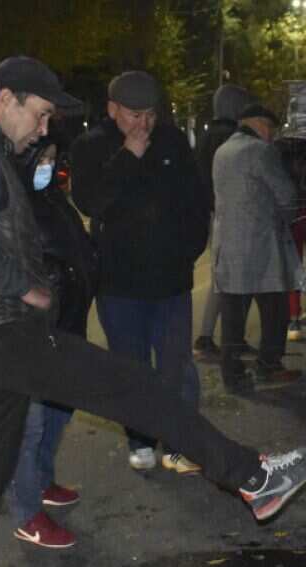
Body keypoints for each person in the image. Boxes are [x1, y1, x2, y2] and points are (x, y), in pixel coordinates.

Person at [0, 56, 306, 567]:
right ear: (6, 97)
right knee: (134, 387)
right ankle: (253, 478)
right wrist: (23, 286)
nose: (45, 126)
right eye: (42, 113)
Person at [70, 70, 205, 474]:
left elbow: (197, 203)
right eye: (133, 115)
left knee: (176, 364)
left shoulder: (174, 142)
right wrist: (128, 155)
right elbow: (92, 202)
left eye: (149, 114)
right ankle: (141, 439)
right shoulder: (90, 146)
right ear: (112, 109)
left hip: (170, 281)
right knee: (130, 366)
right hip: (119, 283)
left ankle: (182, 441)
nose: (143, 123)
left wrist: (186, 254)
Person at [8, 137, 98, 549]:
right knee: (31, 422)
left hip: (67, 321)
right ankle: (26, 511)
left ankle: (42, 481)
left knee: (58, 411)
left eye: (50, 158)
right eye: (40, 160)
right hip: (35, 328)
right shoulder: (13, 203)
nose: (47, 166)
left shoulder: (51, 198)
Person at [212, 104, 303, 392]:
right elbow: (286, 194)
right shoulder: (260, 151)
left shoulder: (222, 150)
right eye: (270, 128)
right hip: (261, 245)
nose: (271, 134)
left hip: (229, 244)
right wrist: (289, 218)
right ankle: (269, 366)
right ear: (259, 125)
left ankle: (233, 374)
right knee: (275, 309)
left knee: (232, 316)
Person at [193, 83, 255, 360]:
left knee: (224, 278)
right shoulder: (230, 136)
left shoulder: (209, 135)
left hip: (210, 211)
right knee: (229, 280)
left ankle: (219, 337)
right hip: (226, 215)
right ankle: (215, 338)